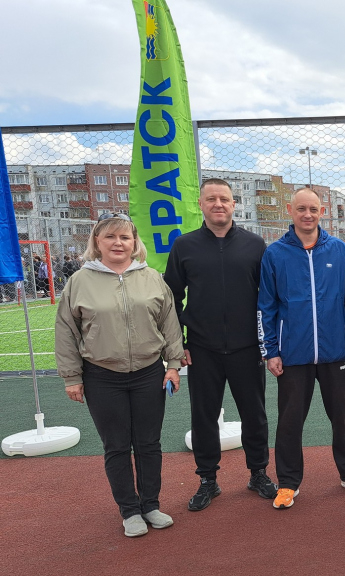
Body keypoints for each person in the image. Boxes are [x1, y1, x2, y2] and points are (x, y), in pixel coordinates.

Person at [55, 213, 183, 538]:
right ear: (97, 241)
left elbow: (169, 323)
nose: (118, 243)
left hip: (148, 373)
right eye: (110, 236)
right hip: (102, 376)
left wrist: (173, 364)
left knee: (149, 443)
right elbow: (66, 331)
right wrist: (72, 377)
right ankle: (130, 510)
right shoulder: (79, 281)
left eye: (125, 237)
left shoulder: (152, 278)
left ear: (134, 242)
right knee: (116, 446)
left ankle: (150, 504)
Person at [259, 188, 345, 509]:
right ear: (290, 210)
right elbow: (266, 306)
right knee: (290, 420)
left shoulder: (339, 249)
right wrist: (271, 350)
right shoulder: (275, 253)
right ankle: (287, 482)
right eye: (301, 209)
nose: (307, 215)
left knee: (343, 416)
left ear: (322, 212)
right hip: (292, 354)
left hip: (336, 351)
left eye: (313, 209)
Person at [164, 178, 274, 512]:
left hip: (247, 348)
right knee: (203, 417)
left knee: (254, 415)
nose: (218, 204)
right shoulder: (184, 245)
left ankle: (258, 473)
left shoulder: (255, 245)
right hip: (202, 349)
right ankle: (207, 480)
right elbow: (171, 299)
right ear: (201, 204)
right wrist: (179, 343)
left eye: (224, 199)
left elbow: (269, 298)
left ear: (233, 204)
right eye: (211, 199)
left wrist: (266, 341)